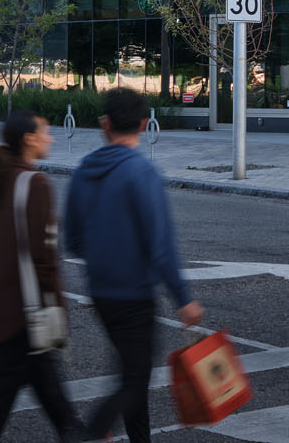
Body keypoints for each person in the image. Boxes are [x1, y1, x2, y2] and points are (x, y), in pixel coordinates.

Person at [64, 88, 203, 443]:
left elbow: (73, 240)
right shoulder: (142, 172)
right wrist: (183, 299)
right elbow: (160, 246)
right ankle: (89, 433)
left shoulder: (83, 170)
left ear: (105, 123)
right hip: (134, 294)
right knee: (134, 378)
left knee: (131, 373)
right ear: (144, 124)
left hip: (100, 291)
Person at [0, 111, 81, 443]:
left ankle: (77, 432)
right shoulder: (35, 183)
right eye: (45, 132)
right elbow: (44, 258)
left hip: (3, 307)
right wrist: (56, 304)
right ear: (29, 139)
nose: (50, 138)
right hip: (25, 313)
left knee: (43, 383)